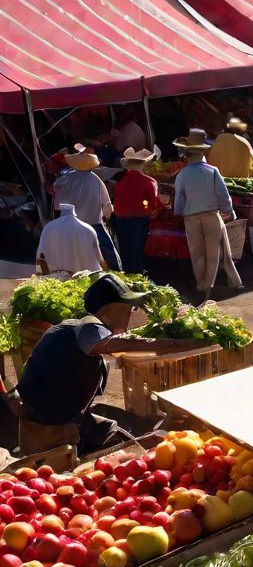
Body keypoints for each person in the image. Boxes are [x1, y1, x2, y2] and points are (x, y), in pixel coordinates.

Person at [12, 274, 195, 454]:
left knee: (113, 432)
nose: (130, 312)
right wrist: (171, 344)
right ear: (110, 308)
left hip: (56, 418)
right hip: (47, 430)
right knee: (118, 451)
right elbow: (108, 344)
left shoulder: (76, 327)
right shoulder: (90, 327)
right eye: (127, 307)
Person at [173, 128, 242, 301]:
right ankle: (209, 288)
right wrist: (229, 212)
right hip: (211, 216)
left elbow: (178, 204)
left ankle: (201, 284)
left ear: (187, 154)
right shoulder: (212, 171)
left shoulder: (181, 175)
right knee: (213, 254)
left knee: (197, 255)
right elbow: (223, 195)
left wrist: (181, 213)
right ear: (203, 151)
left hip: (191, 219)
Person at [53, 145, 121, 271]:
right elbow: (108, 208)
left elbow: (57, 206)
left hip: (70, 225)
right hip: (94, 226)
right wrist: (103, 216)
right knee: (112, 259)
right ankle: (117, 273)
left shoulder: (63, 180)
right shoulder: (96, 180)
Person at [112, 147, 160, 274]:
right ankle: (138, 275)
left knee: (125, 249)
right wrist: (150, 210)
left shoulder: (119, 181)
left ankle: (127, 275)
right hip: (140, 219)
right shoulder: (150, 181)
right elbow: (152, 204)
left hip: (121, 218)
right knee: (137, 250)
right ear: (144, 164)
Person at [36, 204, 104, 275]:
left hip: (57, 281)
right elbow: (100, 260)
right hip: (86, 280)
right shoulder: (89, 229)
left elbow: (40, 259)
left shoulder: (48, 228)